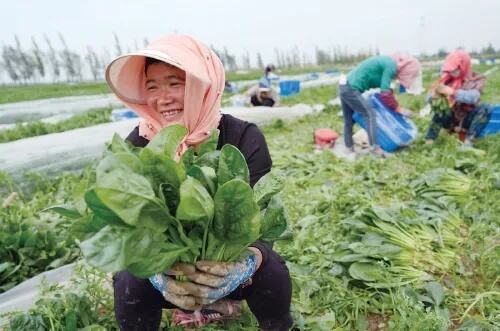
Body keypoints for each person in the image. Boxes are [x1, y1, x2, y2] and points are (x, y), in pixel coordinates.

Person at [105, 34, 292, 331]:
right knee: (128, 276)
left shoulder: (243, 137)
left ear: (201, 85)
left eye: (174, 83)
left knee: (270, 267)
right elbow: (125, 225)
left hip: (228, 272)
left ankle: (271, 322)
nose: (162, 97)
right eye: (151, 86)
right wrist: (155, 269)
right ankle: (191, 308)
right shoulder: (139, 144)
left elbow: (260, 223)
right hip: (168, 276)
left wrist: (246, 263)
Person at [338, 54, 421, 156]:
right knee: (370, 115)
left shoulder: (388, 62)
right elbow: (385, 93)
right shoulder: (391, 65)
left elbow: (385, 88)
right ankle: (374, 148)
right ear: (407, 70)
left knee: (349, 121)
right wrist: (398, 108)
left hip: (344, 85)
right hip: (351, 88)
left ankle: (349, 149)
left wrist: (392, 100)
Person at [425, 50, 491, 145]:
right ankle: (429, 140)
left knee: (486, 108)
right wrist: (434, 95)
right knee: (440, 111)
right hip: (451, 120)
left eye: (455, 69)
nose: (452, 72)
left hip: (468, 119)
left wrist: (453, 92)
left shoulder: (475, 79)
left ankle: (469, 141)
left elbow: (473, 97)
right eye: (450, 70)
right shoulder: (446, 79)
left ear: (463, 66)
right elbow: (428, 98)